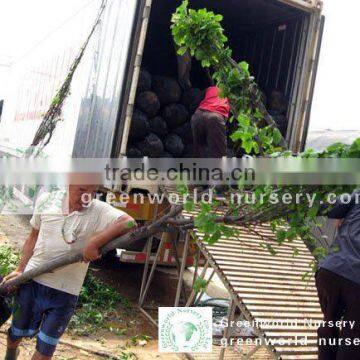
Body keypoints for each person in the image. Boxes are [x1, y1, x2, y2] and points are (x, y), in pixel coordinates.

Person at [2, 185, 135, 360]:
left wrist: (95, 242)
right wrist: (20, 270)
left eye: (92, 192)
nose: (86, 197)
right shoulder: (46, 201)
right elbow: (33, 237)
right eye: (81, 190)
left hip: (65, 293)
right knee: (15, 334)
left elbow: (130, 222)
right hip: (32, 281)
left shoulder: (98, 210)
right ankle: (11, 354)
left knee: (45, 351)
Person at [316, 190, 360, 359]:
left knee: (330, 325)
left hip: (331, 270)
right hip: (356, 282)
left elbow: (328, 208)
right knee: (353, 339)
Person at [191, 85, 230, 158]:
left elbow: (196, 101)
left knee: (198, 149)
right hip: (215, 117)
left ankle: (195, 168)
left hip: (197, 115)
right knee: (219, 154)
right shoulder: (231, 92)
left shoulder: (209, 88)